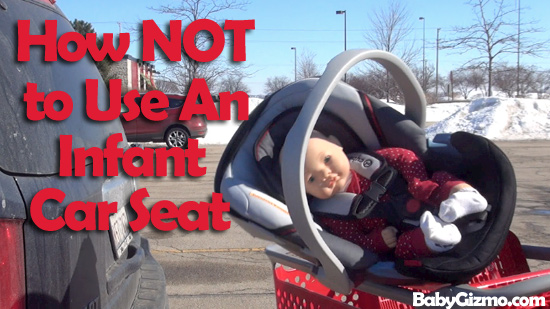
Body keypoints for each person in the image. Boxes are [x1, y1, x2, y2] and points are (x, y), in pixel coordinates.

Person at [304, 132, 488, 259]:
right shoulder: (330, 214)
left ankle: (465, 196)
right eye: (312, 179)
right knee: (402, 247)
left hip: (424, 194)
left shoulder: (366, 161)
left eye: (327, 160)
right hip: (403, 228)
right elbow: (353, 240)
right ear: (305, 190)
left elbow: (404, 156)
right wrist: (377, 240)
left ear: (337, 146)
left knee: (440, 178)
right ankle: (437, 240)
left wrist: (419, 181)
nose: (325, 174)